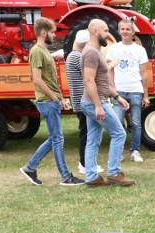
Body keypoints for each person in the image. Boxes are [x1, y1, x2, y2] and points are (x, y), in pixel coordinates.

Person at [19, 17, 83, 187]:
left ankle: (30, 168)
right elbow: (38, 79)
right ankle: (65, 176)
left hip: (52, 100)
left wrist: (61, 99)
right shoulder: (37, 52)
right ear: (43, 32)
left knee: (54, 138)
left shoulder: (45, 51)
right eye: (53, 32)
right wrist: (55, 98)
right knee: (57, 139)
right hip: (47, 101)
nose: (55, 35)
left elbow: (52, 79)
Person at [81, 18, 135, 186]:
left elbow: (102, 82)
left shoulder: (95, 51)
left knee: (93, 140)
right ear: (95, 32)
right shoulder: (90, 52)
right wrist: (98, 105)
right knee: (119, 134)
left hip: (94, 101)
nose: (108, 34)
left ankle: (91, 177)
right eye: (105, 31)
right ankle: (113, 173)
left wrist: (118, 97)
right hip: (94, 102)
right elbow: (89, 81)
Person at [106, 18, 149, 163]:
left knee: (136, 122)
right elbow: (109, 70)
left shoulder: (140, 50)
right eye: (122, 29)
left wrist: (146, 96)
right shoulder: (113, 49)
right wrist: (112, 88)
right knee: (117, 122)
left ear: (133, 32)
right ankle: (118, 152)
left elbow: (144, 74)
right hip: (119, 92)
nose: (125, 32)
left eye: (128, 29)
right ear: (118, 31)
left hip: (135, 90)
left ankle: (135, 151)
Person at [65, 29, 103, 177]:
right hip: (83, 100)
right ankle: (84, 164)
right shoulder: (79, 57)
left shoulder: (72, 56)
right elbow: (90, 76)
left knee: (86, 132)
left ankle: (87, 163)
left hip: (78, 100)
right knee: (86, 134)